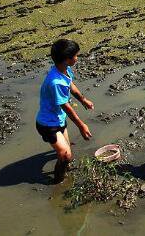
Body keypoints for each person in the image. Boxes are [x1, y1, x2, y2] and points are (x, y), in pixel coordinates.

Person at [35, 39, 94, 184]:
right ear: (67, 59)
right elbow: (66, 106)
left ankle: (63, 173)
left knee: (68, 155)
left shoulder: (64, 70)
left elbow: (70, 85)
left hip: (58, 119)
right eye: (75, 56)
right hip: (47, 124)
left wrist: (83, 100)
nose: (77, 58)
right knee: (65, 155)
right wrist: (81, 125)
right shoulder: (55, 82)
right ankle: (58, 183)